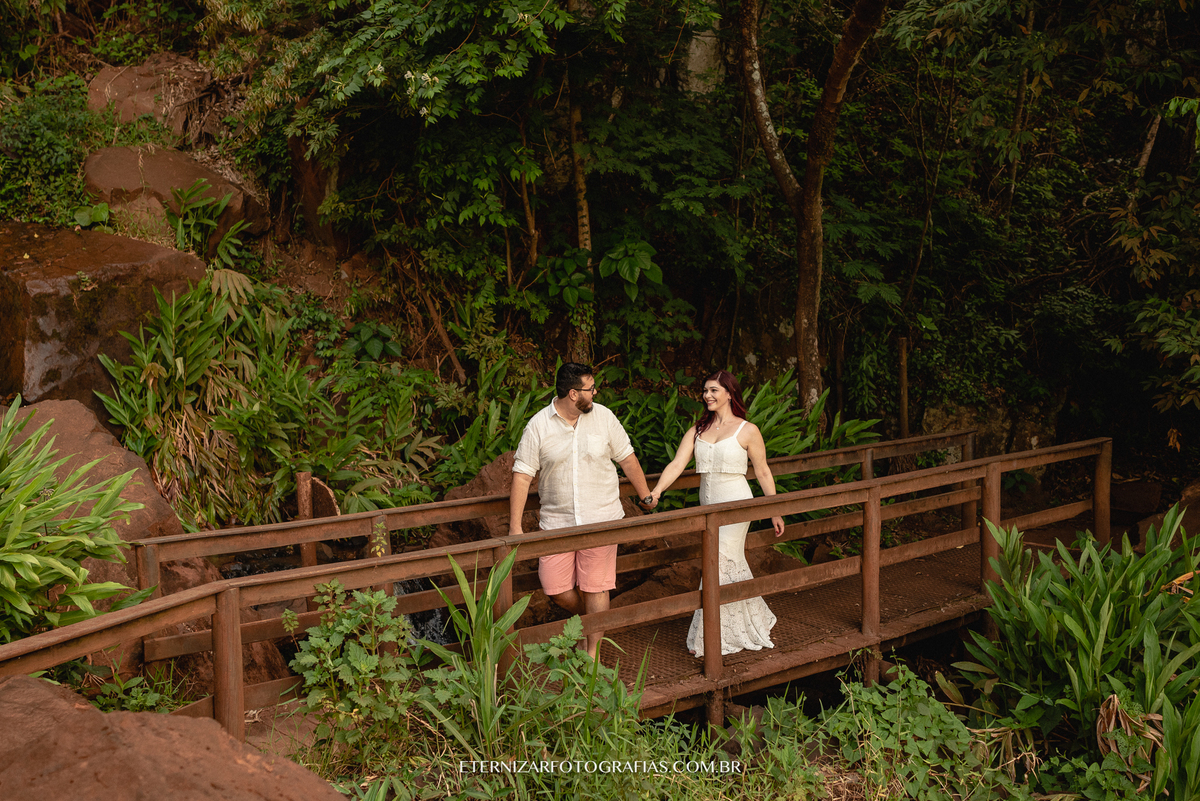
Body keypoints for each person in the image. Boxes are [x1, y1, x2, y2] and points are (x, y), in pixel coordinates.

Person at [509, 362, 654, 658]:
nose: (595, 392)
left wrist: (646, 496)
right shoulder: (538, 425)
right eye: (590, 388)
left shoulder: (604, 417)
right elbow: (522, 475)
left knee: (597, 587)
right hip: (557, 521)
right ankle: (587, 623)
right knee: (555, 588)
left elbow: (627, 458)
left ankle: (592, 650)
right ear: (573, 394)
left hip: (601, 516)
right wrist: (515, 527)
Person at [648, 370, 785, 657]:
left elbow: (762, 471)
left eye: (713, 391)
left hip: (736, 502)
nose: (707, 396)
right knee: (726, 561)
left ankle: (716, 633)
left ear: (729, 394)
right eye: (705, 390)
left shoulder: (747, 430)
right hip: (707, 504)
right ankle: (744, 617)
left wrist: (774, 510)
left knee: (719, 560)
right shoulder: (698, 430)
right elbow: (676, 464)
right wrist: (657, 491)